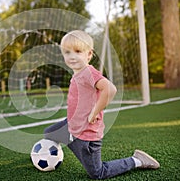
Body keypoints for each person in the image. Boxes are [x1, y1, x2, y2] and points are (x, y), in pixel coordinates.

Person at [44, 30, 160, 179]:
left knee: (97, 173)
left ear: (89, 55)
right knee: (49, 133)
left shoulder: (88, 72)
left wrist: (94, 112)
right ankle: (50, 154)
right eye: (67, 52)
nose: (72, 56)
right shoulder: (78, 73)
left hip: (86, 136)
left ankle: (137, 160)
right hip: (71, 126)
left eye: (78, 51)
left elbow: (110, 89)